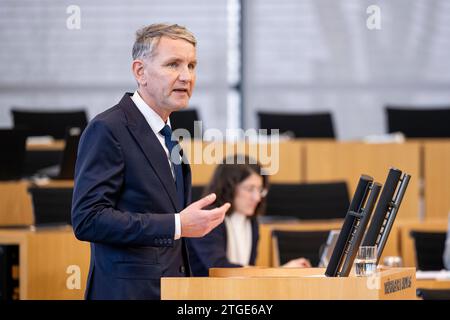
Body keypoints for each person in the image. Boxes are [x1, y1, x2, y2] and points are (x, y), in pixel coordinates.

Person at [71, 23, 230, 300]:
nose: (186, 76)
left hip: (171, 291)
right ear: (140, 71)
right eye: (173, 64)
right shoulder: (108, 129)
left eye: (192, 66)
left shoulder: (170, 136)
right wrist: (178, 224)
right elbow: (88, 219)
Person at [186, 155, 311, 276]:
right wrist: (279, 272)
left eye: (260, 189)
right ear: (229, 187)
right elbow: (219, 268)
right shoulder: (207, 217)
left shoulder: (251, 221)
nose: (257, 198)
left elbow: (248, 271)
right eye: (250, 189)